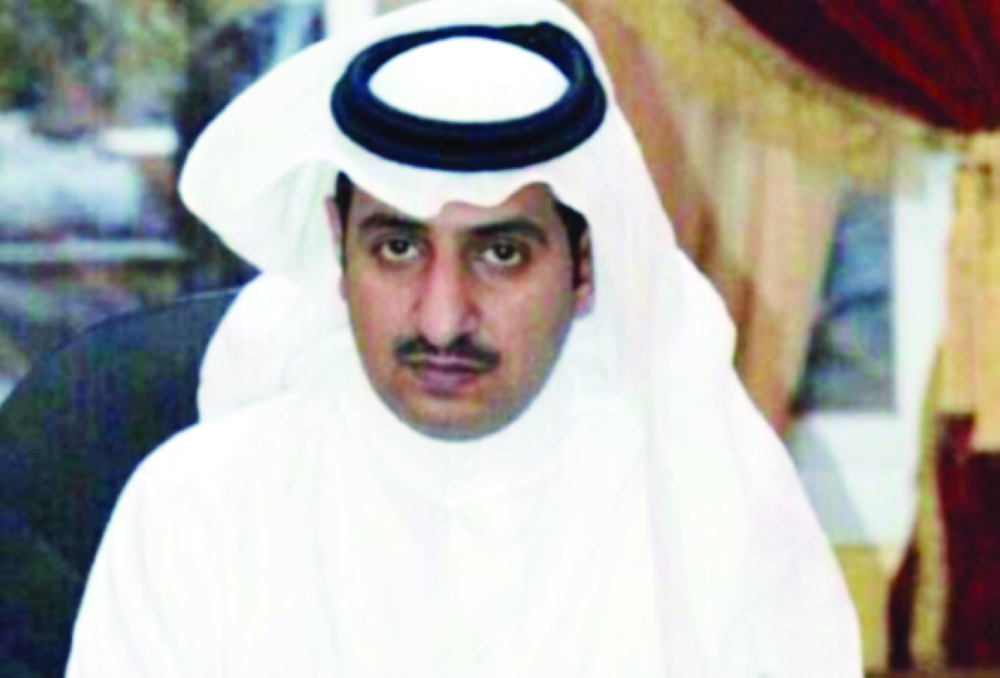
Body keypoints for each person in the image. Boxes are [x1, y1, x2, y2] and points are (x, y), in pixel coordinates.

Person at [66, 0, 862, 675]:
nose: (443, 319)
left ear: (585, 265)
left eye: (501, 253)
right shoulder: (199, 512)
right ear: (338, 246)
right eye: (397, 248)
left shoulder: (706, 518)